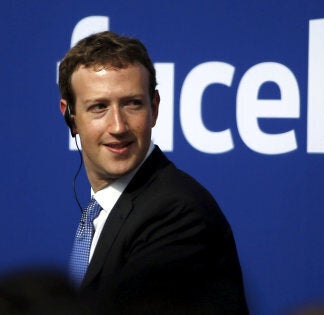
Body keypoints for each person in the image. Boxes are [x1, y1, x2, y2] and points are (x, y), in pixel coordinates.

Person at [58, 31, 248, 314]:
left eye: (132, 103)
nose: (119, 126)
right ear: (70, 116)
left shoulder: (177, 214)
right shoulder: (104, 209)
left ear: (154, 108)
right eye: (99, 107)